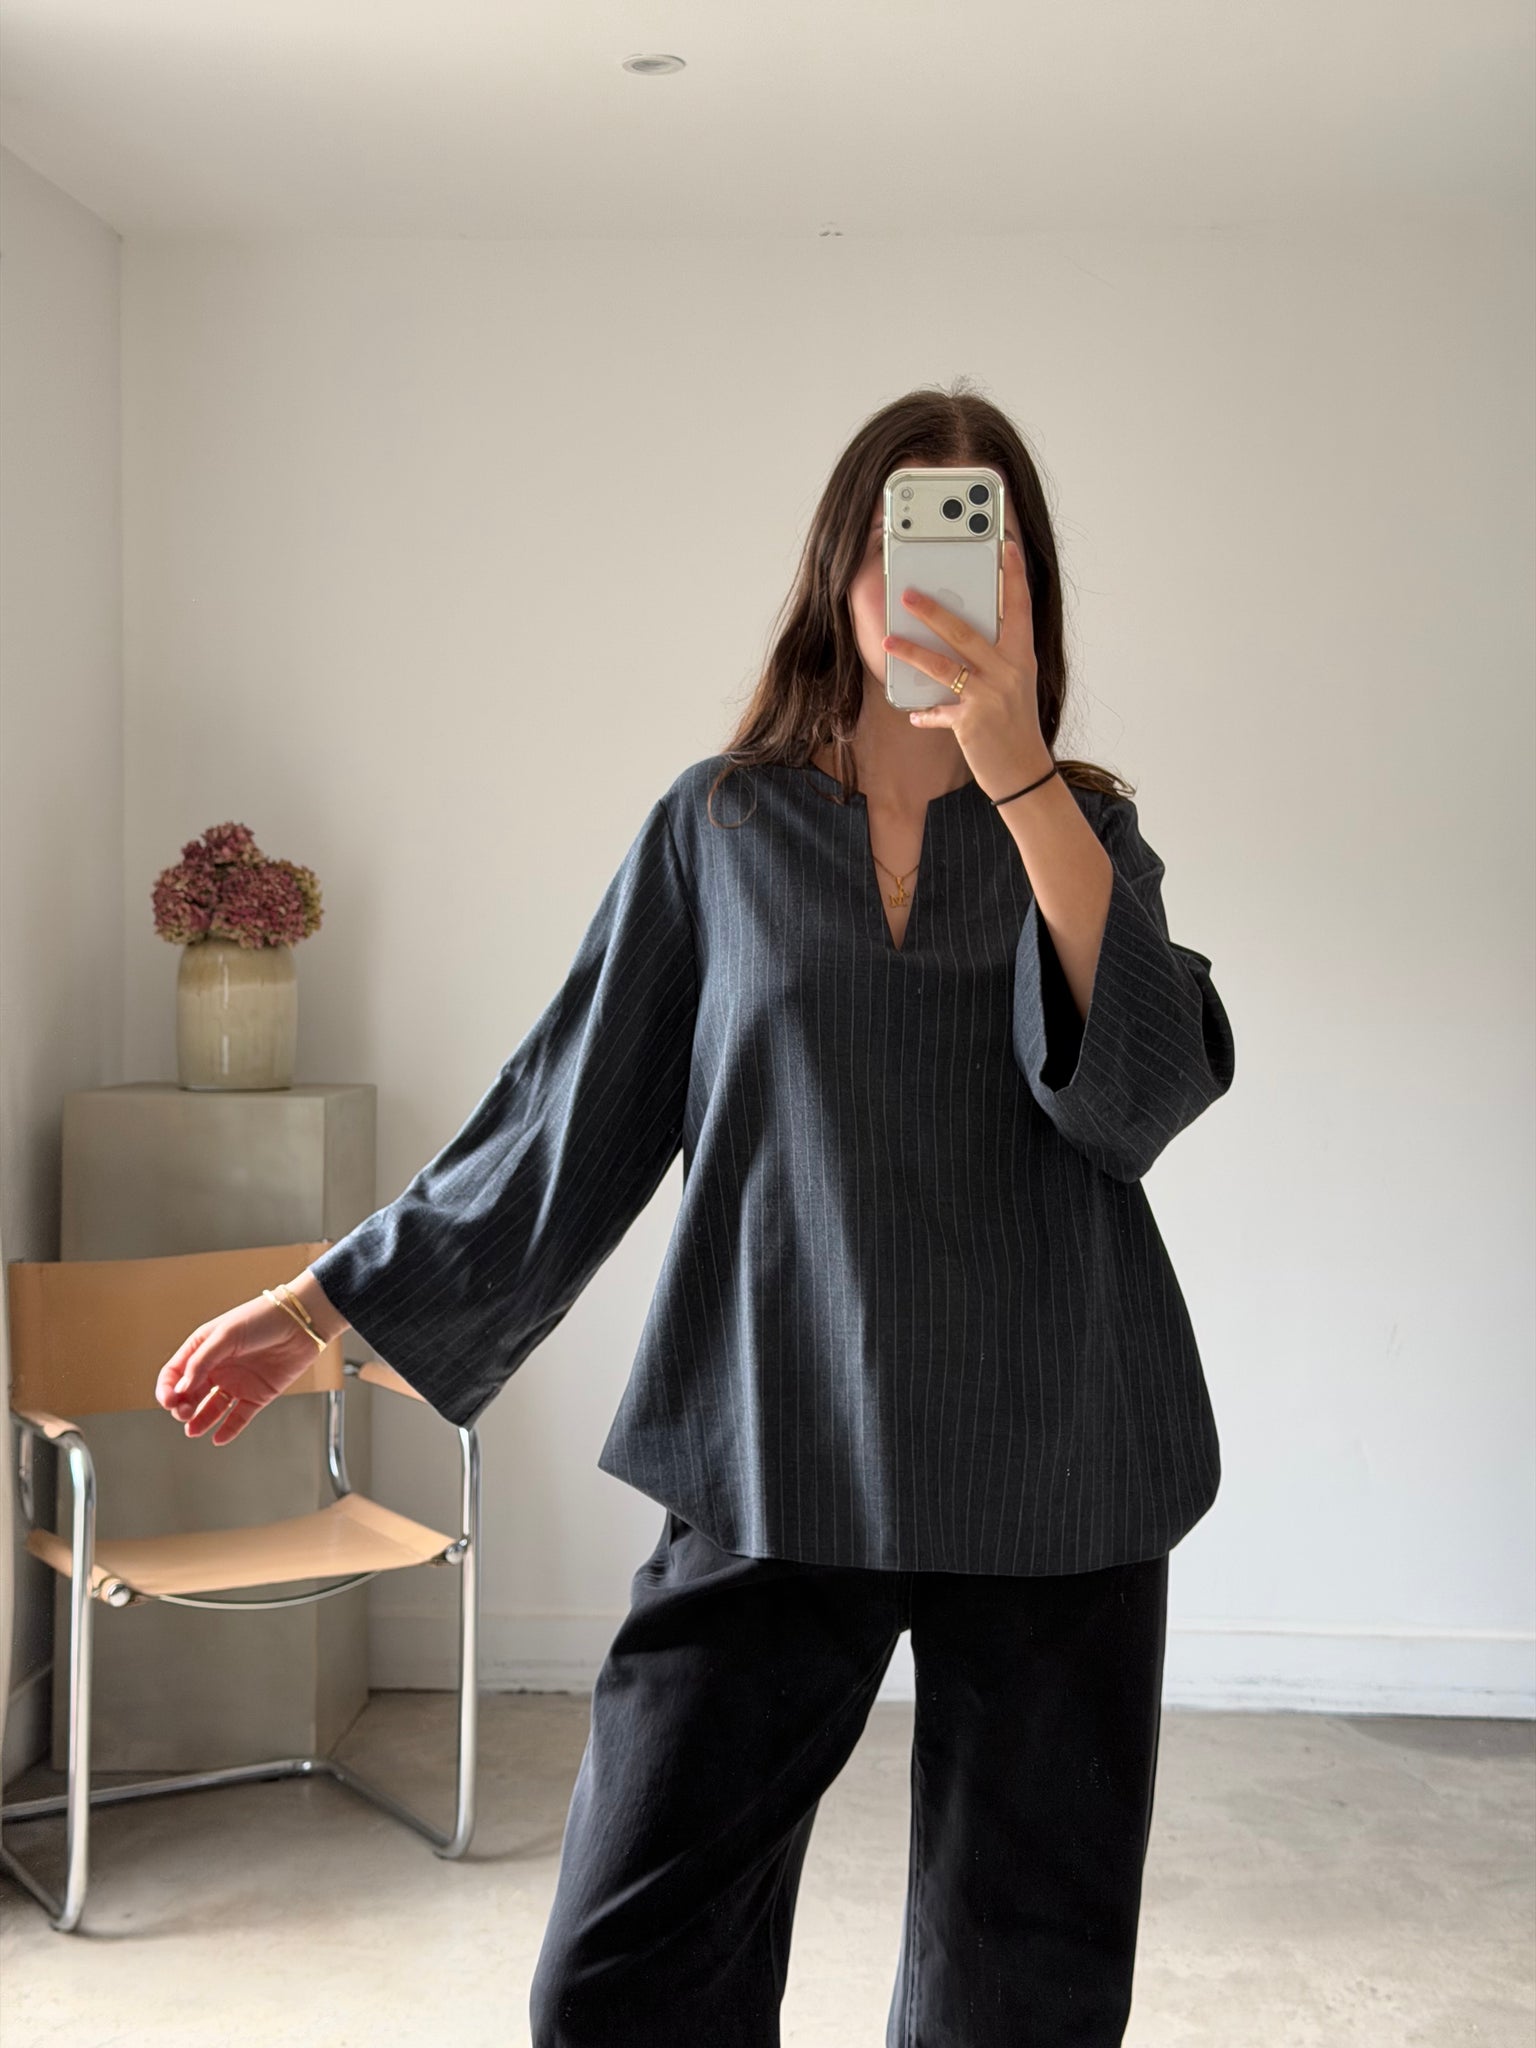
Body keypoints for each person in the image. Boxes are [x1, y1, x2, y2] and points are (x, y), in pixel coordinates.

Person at [156, 381, 1236, 2046]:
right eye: (908, 538)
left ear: (1029, 591)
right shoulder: (719, 827)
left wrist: (1020, 777)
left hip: (1057, 1455)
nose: (944, 582)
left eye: (988, 548)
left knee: (1024, 1993)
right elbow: (565, 1117)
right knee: (622, 1979)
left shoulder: (1084, 829)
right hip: (777, 1438)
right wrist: (322, 1309)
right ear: (841, 568)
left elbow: (1140, 1096)